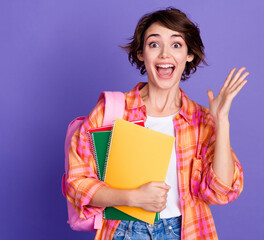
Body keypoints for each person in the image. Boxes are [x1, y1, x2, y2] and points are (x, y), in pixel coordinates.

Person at [66, 7, 248, 240]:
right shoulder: (112, 110)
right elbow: (76, 183)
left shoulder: (201, 120)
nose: (164, 54)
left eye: (176, 44)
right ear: (141, 53)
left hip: (186, 231)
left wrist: (221, 123)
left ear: (189, 54)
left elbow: (221, 192)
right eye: (154, 44)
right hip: (124, 231)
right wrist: (132, 197)